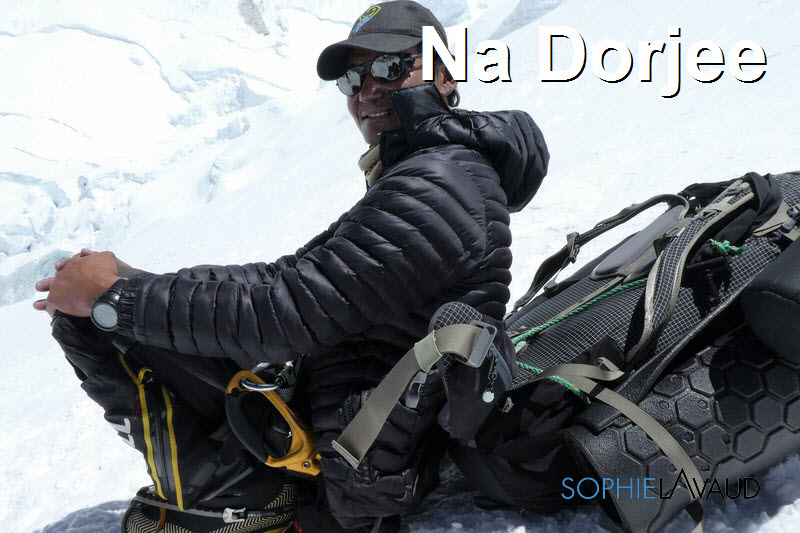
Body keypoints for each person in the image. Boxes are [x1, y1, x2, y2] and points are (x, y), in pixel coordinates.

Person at [33, 1, 549, 531]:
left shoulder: (439, 186)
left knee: (94, 322)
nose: (367, 90)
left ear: (445, 74)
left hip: (364, 455)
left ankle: (239, 503)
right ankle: (232, 487)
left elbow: (286, 311)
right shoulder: (424, 174)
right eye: (353, 79)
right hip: (359, 419)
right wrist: (130, 279)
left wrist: (114, 301)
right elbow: (287, 274)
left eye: (390, 67)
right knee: (128, 312)